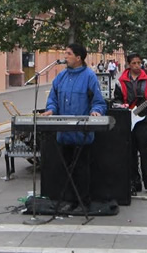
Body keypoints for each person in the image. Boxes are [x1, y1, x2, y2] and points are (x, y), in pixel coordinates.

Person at [42, 43, 106, 212]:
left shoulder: (89, 76)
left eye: (68, 53)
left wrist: (96, 112)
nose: (65, 56)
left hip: (82, 134)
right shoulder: (61, 76)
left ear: (78, 58)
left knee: (81, 169)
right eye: (65, 53)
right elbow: (53, 98)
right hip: (64, 134)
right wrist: (51, 109)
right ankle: (69, 200)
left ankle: (83, 202)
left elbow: (98, 101)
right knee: (66, 168)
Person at [114, 53, 147, 196]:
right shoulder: (120, 82)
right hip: (128, 119)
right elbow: (116, 100)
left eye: (139, 62)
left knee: (145, 152)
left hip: (144, 121)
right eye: (134, 63)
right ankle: (134, 183)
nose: (137, 65)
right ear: (128, 64)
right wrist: (121, 106)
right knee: (130, 153)